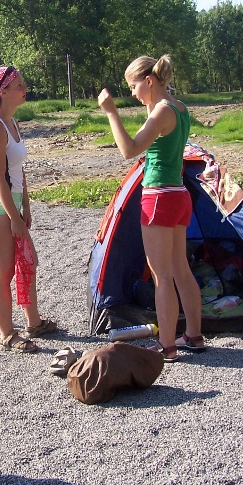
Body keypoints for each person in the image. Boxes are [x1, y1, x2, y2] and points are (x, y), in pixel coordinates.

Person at [97, 54, 206, 363]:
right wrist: (148, 100)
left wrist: (111, 114)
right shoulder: (178, 107)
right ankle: (194, 336)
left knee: (162, 277)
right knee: (181, 269)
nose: (132, 93)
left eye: (134, 86)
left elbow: (128, 150)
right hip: (179, 195)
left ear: (148, 81)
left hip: (157, 197)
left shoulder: (159, 114)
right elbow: (155, 118)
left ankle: (168, 346)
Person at [0, 65, 57, 353]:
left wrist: (27, 206)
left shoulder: (12, 123)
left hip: (12, 205)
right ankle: (7, 334)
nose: (25, 89)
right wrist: (14, 217)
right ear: (4, 91)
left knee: (28, 263)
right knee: (5, 272)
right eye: (20, 85)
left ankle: (33, 323)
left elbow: (18, 171)